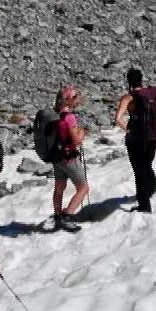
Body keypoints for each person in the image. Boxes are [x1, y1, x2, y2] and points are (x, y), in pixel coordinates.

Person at [115, 68, 156, 213]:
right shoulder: (152, 93)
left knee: (139, 170)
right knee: (147, 164)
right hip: (153, 136)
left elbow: (118, 119)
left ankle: (144, 205)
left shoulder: (129, 97)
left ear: (129, 81)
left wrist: (129, 130)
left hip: (136, 138)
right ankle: (151, 188)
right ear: (141, 79)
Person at [49, 85, 89, 233]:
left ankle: (58, 215)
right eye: (75, 97)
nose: (77, 100)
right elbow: (75, 142)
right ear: (68, 100)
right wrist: (82, 133)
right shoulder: (69, 117)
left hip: (57, 157)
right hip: (69, 158)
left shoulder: (55, 114)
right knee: (83, 188)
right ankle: (68, 216)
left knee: (59, 188)